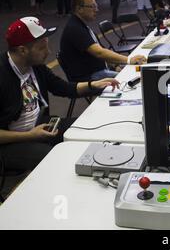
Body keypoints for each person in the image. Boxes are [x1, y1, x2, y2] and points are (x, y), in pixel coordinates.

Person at [0, 17, 119, 173]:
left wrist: (93, 85)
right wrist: (30, 135)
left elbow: (61, 87)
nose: (48, 52)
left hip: (38, 126)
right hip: (10, 144)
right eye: (42, 48)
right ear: (23, 50)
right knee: (54, 159)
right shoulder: (3, 75)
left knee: (86, 129)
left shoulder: (34, 66)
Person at [60, 0, 146, 81]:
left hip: (98, 70)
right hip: (89, 76)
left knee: (134, 73)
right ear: (79, 9)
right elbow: (99, 53)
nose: (96, 10)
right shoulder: (75, 28)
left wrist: (115, 65)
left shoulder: (81, 25)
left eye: (96, 6)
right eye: (92, 6)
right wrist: (129, 60)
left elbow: (101, 51)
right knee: (132, 78)